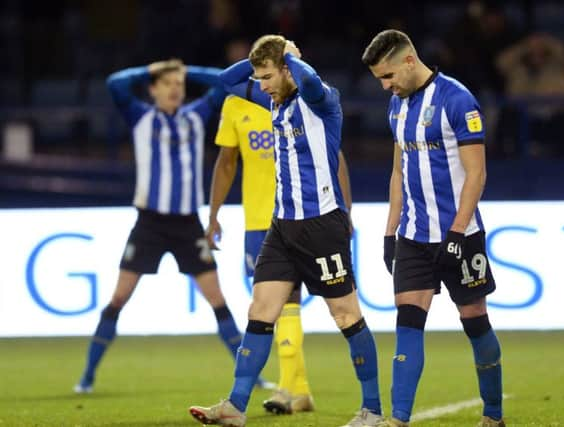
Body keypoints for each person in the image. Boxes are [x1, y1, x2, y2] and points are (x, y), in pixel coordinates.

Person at [189, 35, 382, 427]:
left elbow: (308, 82)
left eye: (266, 77)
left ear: (287, 70)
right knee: (261, 312)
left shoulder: (322, 100)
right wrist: (264, 58)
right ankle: (236, 405)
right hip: (281, 227)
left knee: (346, 316)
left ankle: (373, 409)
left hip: (322, 225)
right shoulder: (270, 100)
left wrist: (291, 59)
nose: (259, 85)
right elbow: (227, 80)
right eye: (257, 78)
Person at [73, 59, 273, 393]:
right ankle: (88, 376)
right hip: (149, 223)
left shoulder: (195, 116)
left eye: (179, 84)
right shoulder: (140, 116)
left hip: (187, 224)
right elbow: (114, 83)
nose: (174, 89)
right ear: (153, 90)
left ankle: (252, 375)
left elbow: (223, 82)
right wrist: (155, 68)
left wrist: (187, 70)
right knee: (119, 297)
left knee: (218, 299)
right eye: (167, 84)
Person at [361, 30, 505, 427]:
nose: (385, 86)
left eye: (387, 76)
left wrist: (458, 232)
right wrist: (390, 233)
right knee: (407, 321)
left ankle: (493, 415)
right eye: (379, 80)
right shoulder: (396, 106)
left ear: (409, 60)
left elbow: (477, 174)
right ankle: (399, 419)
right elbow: (397, 172)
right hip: (413, 235)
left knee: (475, 321)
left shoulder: (457, 100)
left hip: (460, 234)